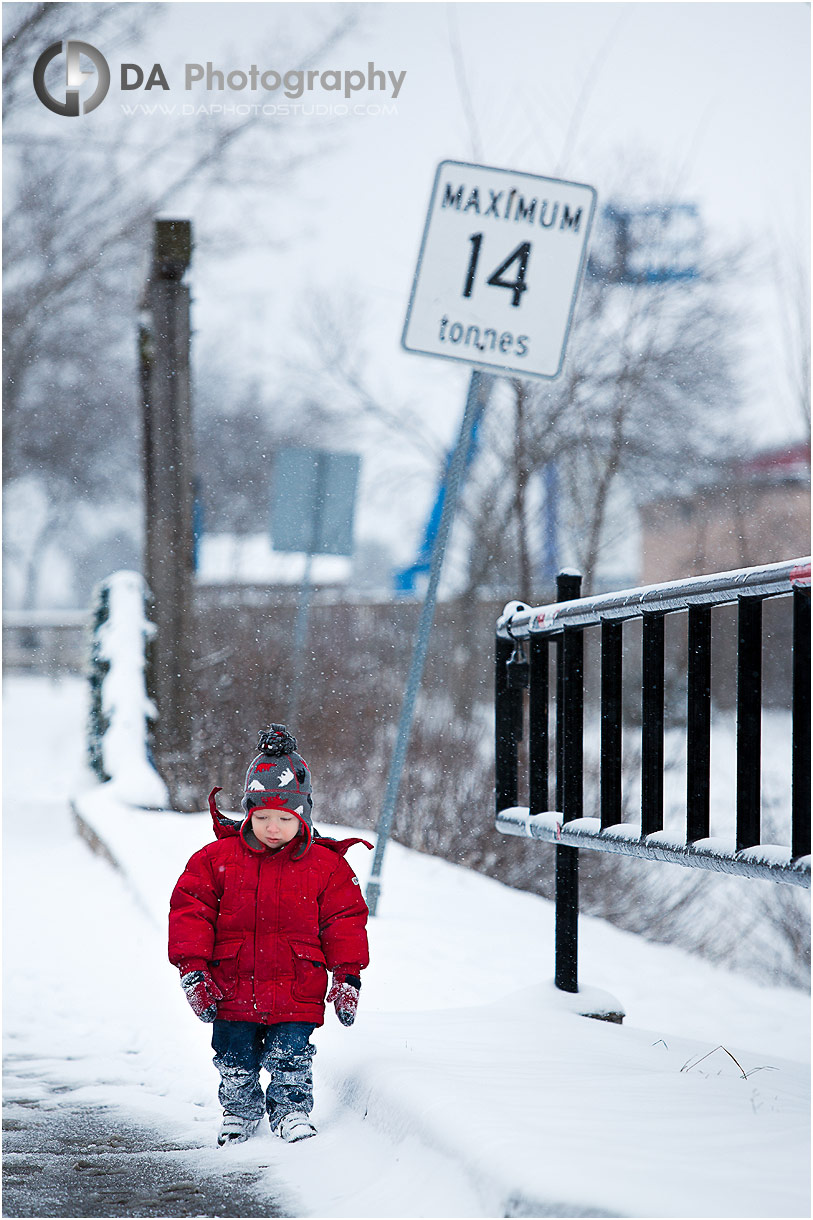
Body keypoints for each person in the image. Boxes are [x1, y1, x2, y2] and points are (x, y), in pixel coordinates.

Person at [168, 724, 371, 1146]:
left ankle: (291, 1110)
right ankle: (240, 1112)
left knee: (291, 1055)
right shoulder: (216, 859)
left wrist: (347, 975)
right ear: (248, 811)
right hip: (231, 984)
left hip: (298, 984)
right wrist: (193, 969)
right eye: (261, 817)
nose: (273, 828)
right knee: (233, 1057)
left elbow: (345, 920)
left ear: (304, 816)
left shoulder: (325, 866)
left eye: (285, 818)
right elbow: (191, 910)